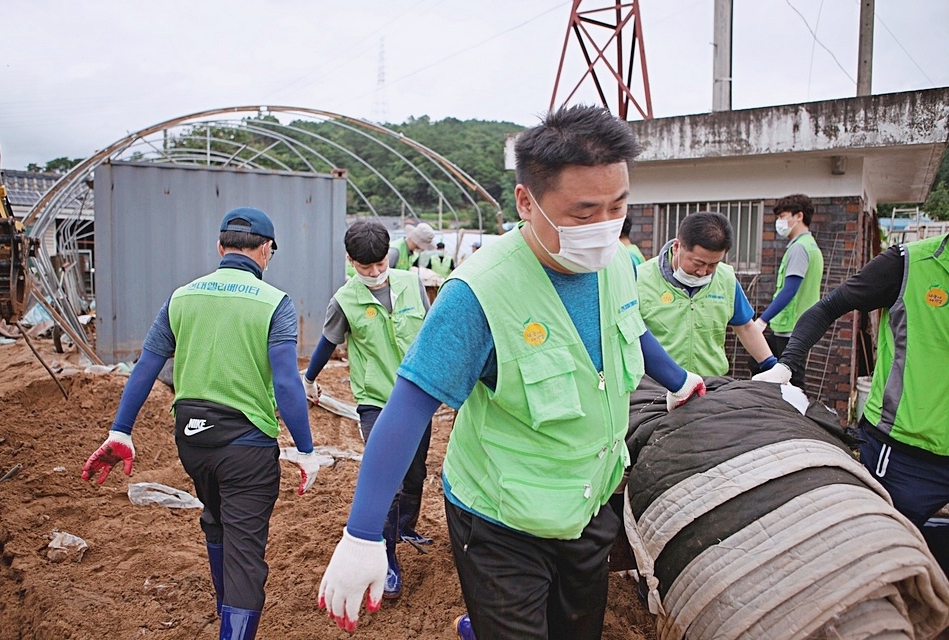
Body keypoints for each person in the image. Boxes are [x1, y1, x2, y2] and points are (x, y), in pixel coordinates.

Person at [316, 104, 707, 638]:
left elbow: (630, 326)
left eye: (617, 207)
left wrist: (678, 378)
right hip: (501, 521)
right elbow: (408, 407)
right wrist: (361, 534)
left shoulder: (618, 264)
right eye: (583, 212)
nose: (604, 227)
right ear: (527, 201)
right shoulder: (478, 295)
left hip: (589, 502)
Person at [81, 207, 320, 640]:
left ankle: (224, 609)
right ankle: (234, 626)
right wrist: (305, 449)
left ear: (219, 247)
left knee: (215, 520)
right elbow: (286, 382)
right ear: (266, 250)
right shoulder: (274, 303)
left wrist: (120, 432)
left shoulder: (181, 296)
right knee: (246, 553)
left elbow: (145, 368)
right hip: (247, 446)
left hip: (192, 441)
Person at [753, 233, 949, 571]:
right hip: (904, 453)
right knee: (876, 562)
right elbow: (827, 307)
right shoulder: (908, 265)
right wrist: (786, 365)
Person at [302, 219, 433, 601]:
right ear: (350, 261)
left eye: (379, 264)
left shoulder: (412, 284)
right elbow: (327, 344)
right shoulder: (345, 300)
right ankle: (387, 556)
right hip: (376, 400)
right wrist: (309, 380)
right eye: (365, 267)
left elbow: (430, 333)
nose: (375, 273)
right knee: (387, 478)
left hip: (418, 395)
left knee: (416, 470)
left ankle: (405, 527)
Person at [636, 211, 777, 376]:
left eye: (713, 264)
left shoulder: (726, 279)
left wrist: (771, 366)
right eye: (698, 263)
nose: (703, 272)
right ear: (677, 247)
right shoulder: (640, 278)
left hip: (710, 384)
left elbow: (745, 326)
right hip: (656, 385)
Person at [752, 194, 824, 388]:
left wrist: (762, 319)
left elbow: (790, 289)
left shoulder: (800, 248)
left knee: (790, 380)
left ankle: (794, 416)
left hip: (790, 326)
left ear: (798, 216)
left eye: (782, 216)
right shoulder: (810, 246)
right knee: (771, 371)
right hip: (796, 325)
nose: (779, 222)